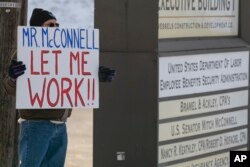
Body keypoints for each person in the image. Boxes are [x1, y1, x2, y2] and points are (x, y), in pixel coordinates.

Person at [3, 8, 115, 167]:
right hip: (36, 126)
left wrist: (94, 75)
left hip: (60, 126)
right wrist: (13, 77)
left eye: (57, 24)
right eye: (50, 25)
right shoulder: (25, 53)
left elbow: (75, 75)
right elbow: (10, 89)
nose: (55, 28)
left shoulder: (64, 53)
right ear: (37, 29)